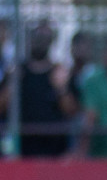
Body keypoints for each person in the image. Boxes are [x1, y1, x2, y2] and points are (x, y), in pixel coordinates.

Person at [10, 22, 76, 157]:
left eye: (45, 39)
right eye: (37, 37)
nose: (40, 42)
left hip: (55, 149)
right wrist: (12, 83)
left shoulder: (59, 72)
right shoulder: (18, 72)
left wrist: (61, 88)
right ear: (30, 39)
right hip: (22, 149)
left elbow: (71, 111)